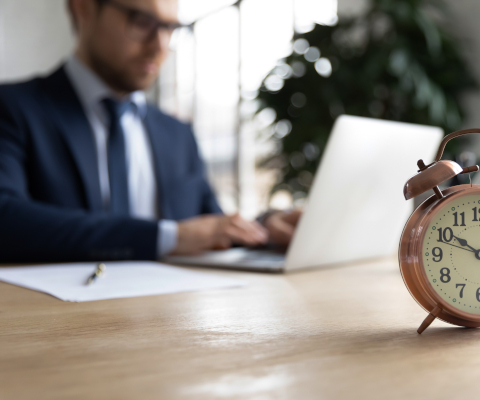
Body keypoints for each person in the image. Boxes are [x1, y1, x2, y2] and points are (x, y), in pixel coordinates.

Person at [0, 0, 300, 263]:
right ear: (84, 8)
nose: (160, 46)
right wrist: (166, 237)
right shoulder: (13, 109)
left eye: (170, 28)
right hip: (57, 320)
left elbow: (211, 227)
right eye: (142, 21)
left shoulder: (177, 133)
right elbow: (6, 219)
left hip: (167, 319)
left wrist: (267, 227)